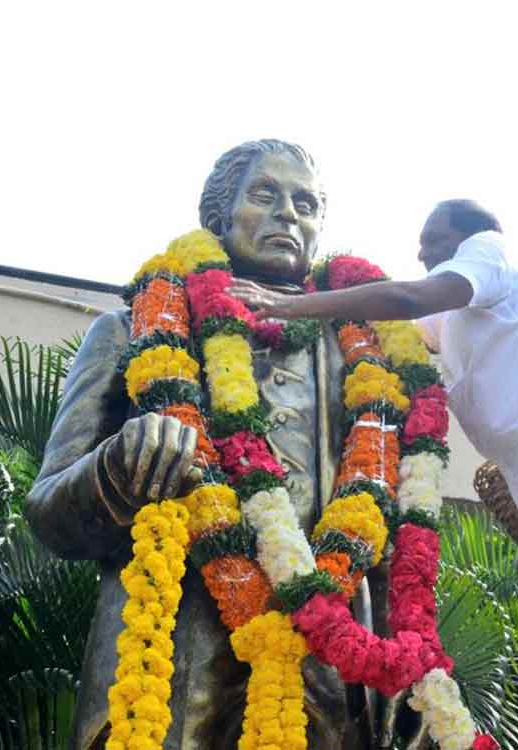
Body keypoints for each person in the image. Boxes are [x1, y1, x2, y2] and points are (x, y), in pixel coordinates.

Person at [231, 200, 518, 750]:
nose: (421, 251)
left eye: (433, 239)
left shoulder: (493, 254)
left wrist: (282, 307)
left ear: (471, 237)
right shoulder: (455, 316)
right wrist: (295, 296)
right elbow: (387, 316)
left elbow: (405, 296)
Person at [26, 140, 371, 750]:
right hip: (169, 661)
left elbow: (382, 531)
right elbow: (49, 511)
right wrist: (119, 467)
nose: (288, 214)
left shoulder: (360, 364)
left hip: (325, 674)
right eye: (264, 195)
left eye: (306, 203)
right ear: (217, 217)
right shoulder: (130, 332)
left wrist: (404, 685)